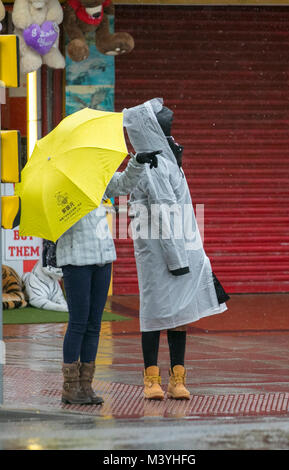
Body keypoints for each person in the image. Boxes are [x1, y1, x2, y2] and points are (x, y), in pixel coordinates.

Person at [123, 98, 228, 400]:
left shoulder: (167, 157)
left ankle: (176, 378)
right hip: (162, 253)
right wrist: (177, 258)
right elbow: (163, 213)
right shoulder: (153, 164)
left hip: (179, 248)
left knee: (179, 313)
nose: (167, 117)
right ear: (151, 128)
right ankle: (152, 379)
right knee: (155, 313)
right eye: (160, 117)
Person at [56, 150, 160, 405]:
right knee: (78, 323)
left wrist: (137, 162)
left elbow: (124, 183)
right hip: (76, 260)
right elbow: (57, 221)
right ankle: (70, 387)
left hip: (103, 259)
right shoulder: (61, 186)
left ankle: (86, 386)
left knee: (94, 324)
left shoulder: (97, 178)